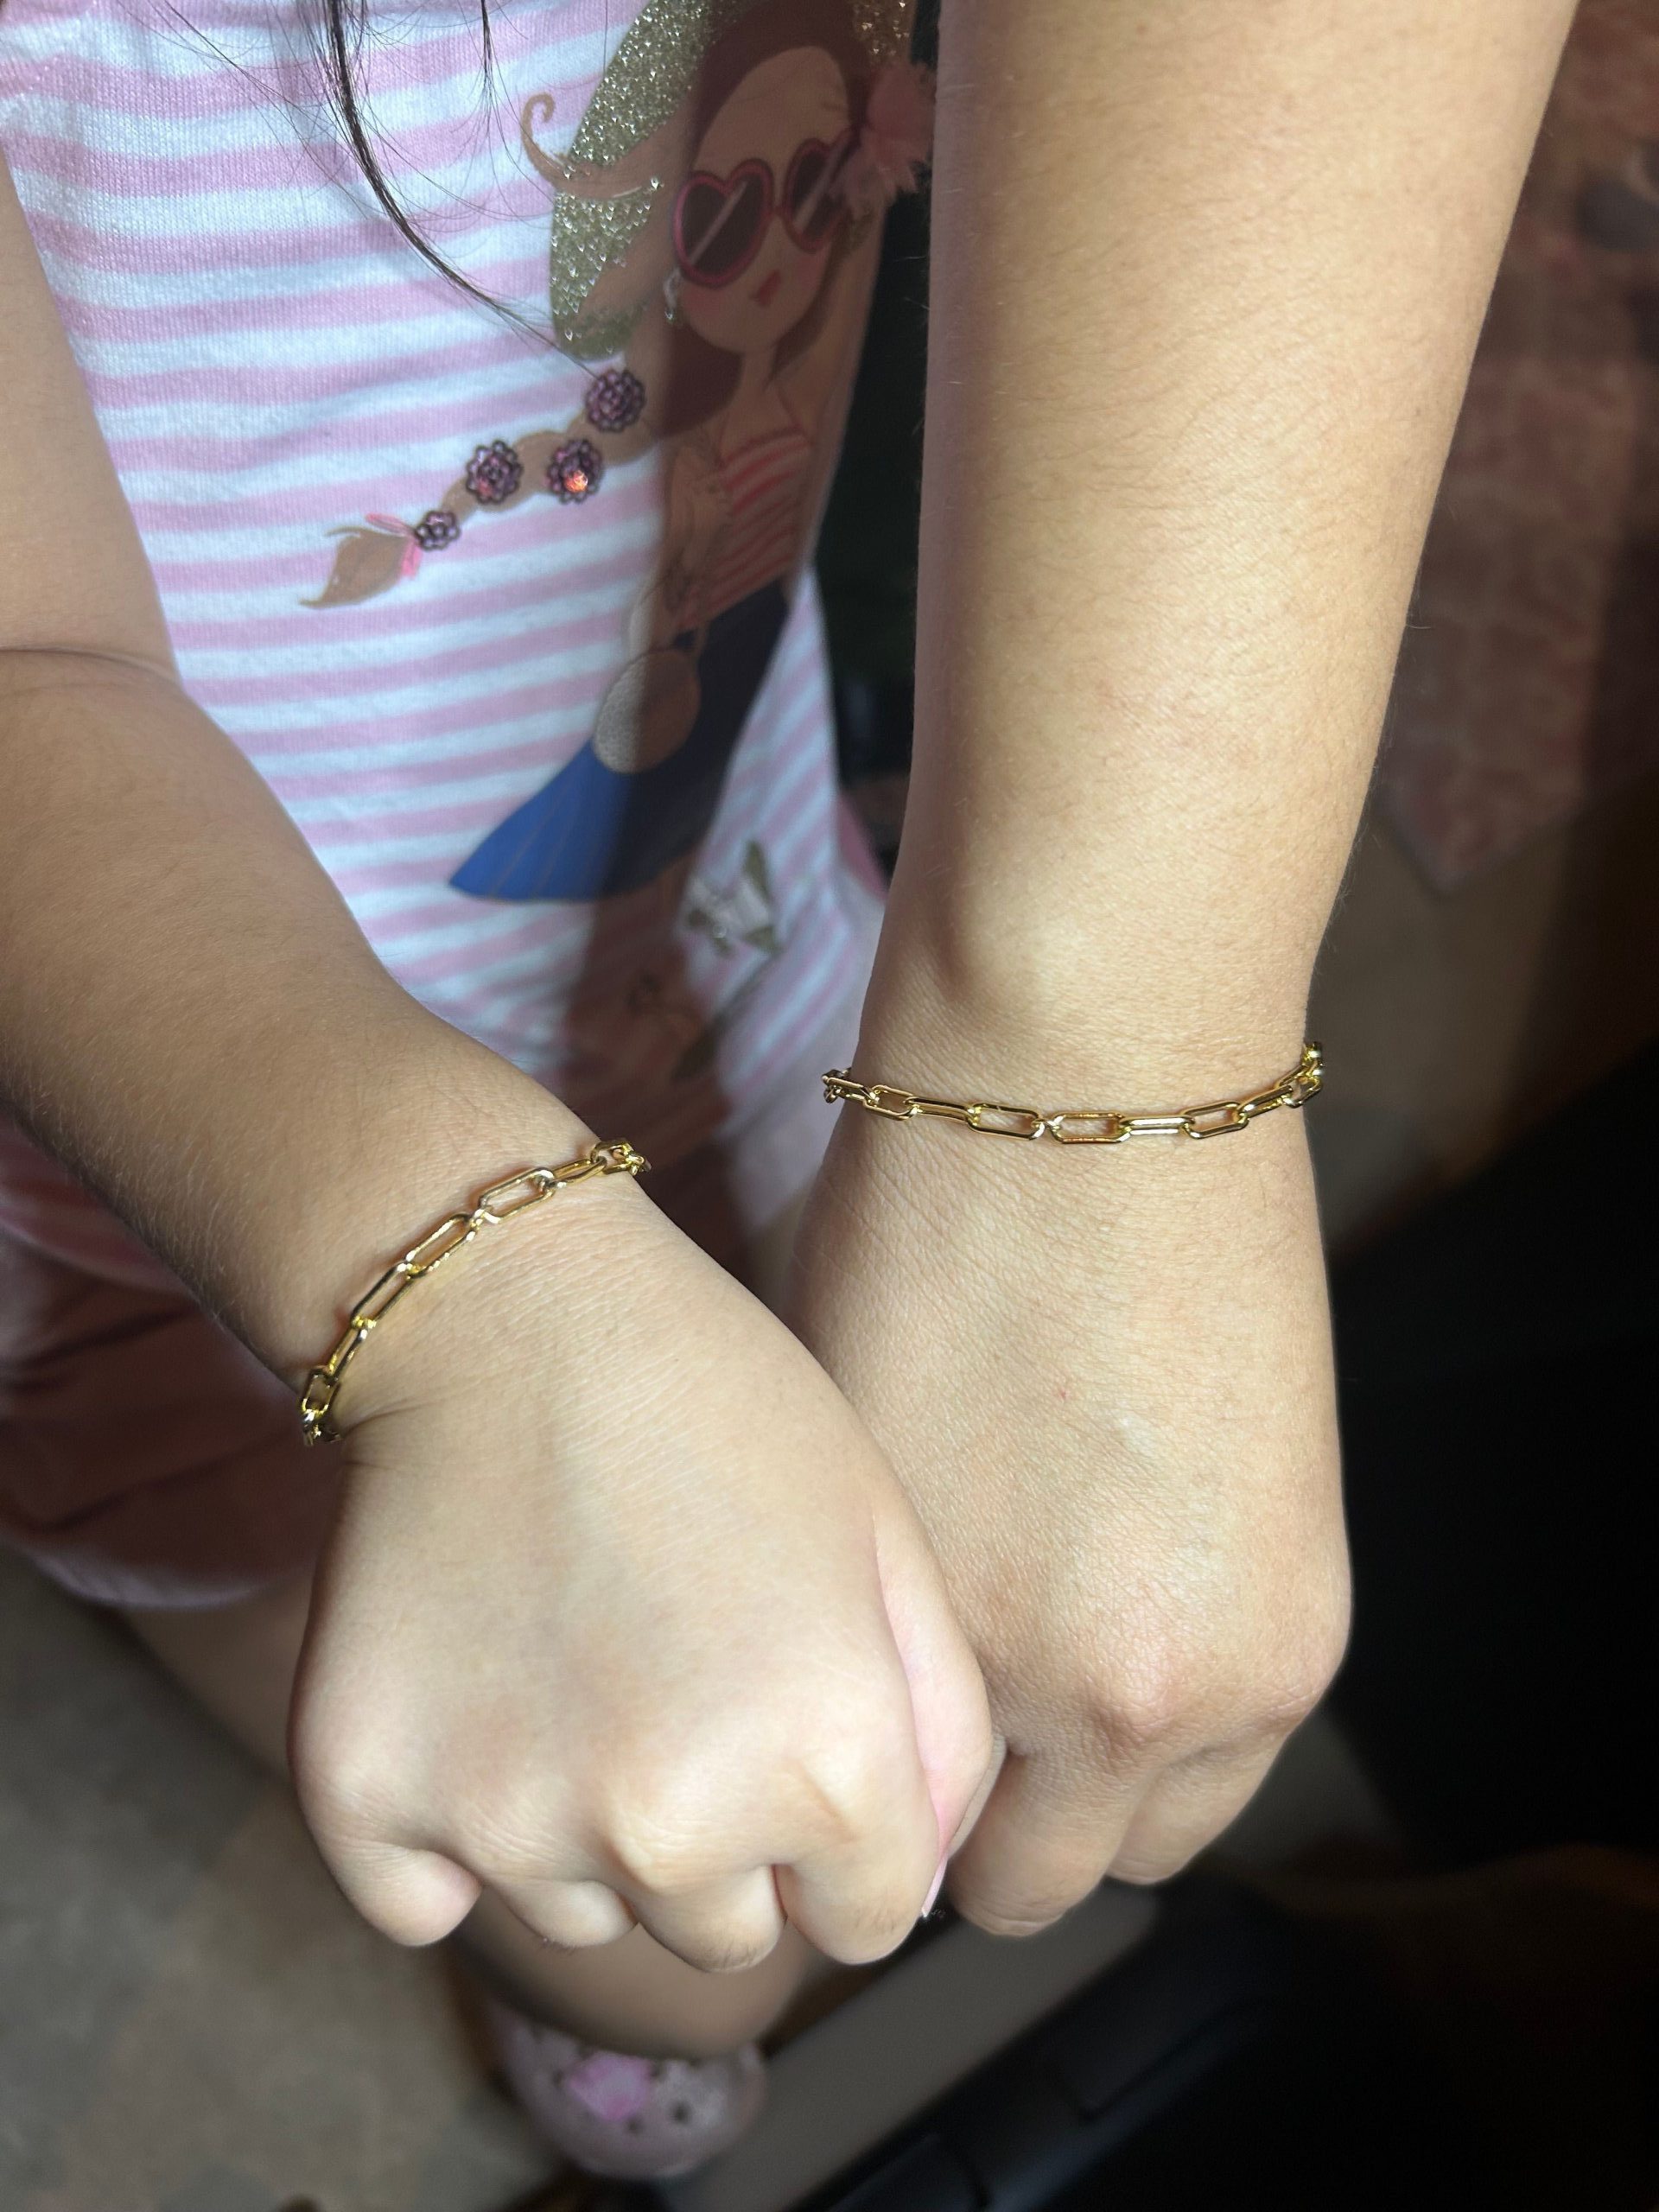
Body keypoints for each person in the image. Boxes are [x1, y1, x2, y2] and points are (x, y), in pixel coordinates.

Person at [0, 0, 1576, 2183]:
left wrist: (1098, 1039)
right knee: (692, 1951)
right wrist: (460, 1298)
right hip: (178, 1136)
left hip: (722, 882)